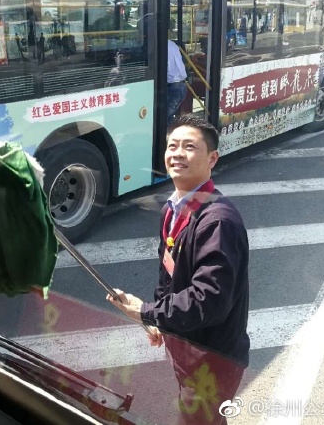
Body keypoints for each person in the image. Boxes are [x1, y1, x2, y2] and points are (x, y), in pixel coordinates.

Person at [108, 114, 250, 424]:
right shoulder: (173, 209)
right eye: (172, 146)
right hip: (187, 346)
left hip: (211, 359)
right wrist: (159, 319)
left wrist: (146, 312)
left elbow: (209, 300)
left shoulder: (217, 222)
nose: (177, 154)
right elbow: (168, 275)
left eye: (189, 147)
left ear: (212, 158)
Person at [166, 39, 187, 125]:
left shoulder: (159, 45)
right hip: (180, 85)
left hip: (173, 86)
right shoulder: (172, 44)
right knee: (168, 117)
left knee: (164, 117)